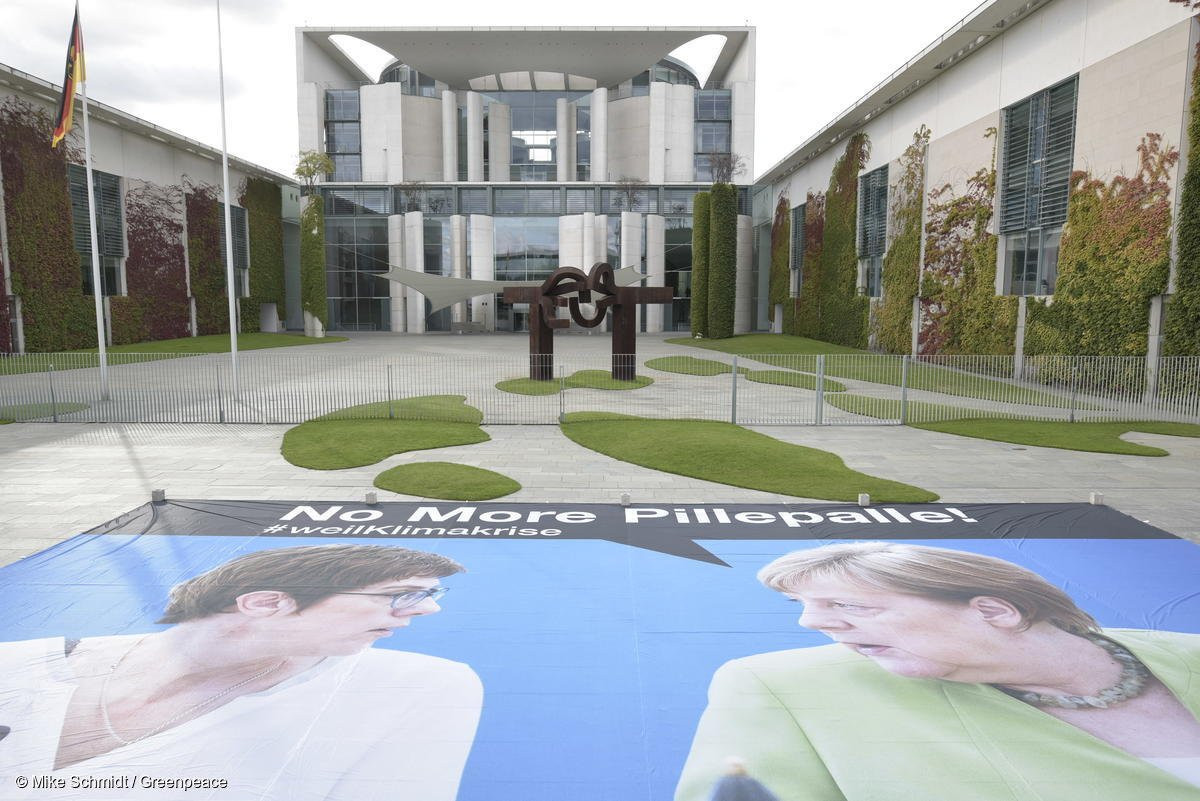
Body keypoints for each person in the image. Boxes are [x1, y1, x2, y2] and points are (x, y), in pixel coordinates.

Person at [675, 542, 1200, 801]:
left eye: (848, 605)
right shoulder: (781, 687)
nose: (810, 623)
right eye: (805, 606)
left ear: (995, 611)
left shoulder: (1189, 653)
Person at [0, 544, 482, 801]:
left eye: (429, 596)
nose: (424, 612)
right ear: (266, 602)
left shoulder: (414, 690)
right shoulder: (14, 665)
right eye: (403, 594)